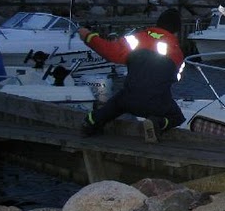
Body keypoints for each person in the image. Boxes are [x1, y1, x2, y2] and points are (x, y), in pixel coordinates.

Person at [77, 8, 186, 142]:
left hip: (128, 99)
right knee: (177, 117)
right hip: (156, 103)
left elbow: (109, 51)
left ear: (157, 24)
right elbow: (176, 78)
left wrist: (88, 36)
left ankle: (91, 122)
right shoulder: (177, 53)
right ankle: (157, 123)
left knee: (115, 104)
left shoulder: (136, 39)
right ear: (176, 31)